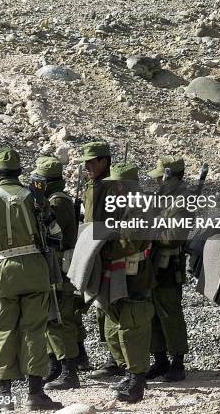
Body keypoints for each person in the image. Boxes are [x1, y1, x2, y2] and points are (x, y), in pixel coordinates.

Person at [0, 147, 62, 411]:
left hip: (1, 275)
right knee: (34, 331)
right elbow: (55, 233)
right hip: (35, 273)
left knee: (3, 330)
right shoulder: (34, 197)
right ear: (19, 173)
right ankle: (35, 394)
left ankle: (4, 396)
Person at [102, 163, 155, 403]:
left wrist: (101, 248)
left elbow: (128, 244)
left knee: (133, 327)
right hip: (123, 276)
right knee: (117, 326)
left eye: (114, 185)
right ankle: (130, 372)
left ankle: (137, 380)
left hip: (136, 277)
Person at [31, 156, 81, 390]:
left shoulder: (58, 202)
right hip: (53, 265)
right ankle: (56, 365)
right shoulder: (52, 198)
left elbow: (52, 233)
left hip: (59, 267)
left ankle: (70, 372)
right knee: (52, 317)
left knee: (60, 318)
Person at [79, 141, 124, 378]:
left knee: (110, 306)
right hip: (94, 251)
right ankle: (114, 356)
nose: (87, 166)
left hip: (107, 252)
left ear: (104, 161)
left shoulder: (111, 187)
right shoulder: (94, 185)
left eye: (91, 161)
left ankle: (120, 360)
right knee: (101, 307)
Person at [146, 156, 189, 382]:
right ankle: (160, 359)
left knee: (170, 314)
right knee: (153, 313)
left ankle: (177, 362)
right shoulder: (164, 199)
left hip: (169, 266)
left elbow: (173, 238)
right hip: (154, 265)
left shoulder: (181, 201)